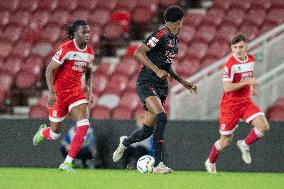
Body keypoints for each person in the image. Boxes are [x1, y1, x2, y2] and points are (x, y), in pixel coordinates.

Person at [112, 6, 197, 174]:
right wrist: (156, 70)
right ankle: (159, 164)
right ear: (179, 21)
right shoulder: (160, 35)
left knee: (146, 131)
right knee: (162, 116)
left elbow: (166, 65)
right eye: (182, 21)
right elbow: (139, 52)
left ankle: (125, 142)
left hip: (161, 86)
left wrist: (182, 81)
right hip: (147, 82)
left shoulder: (173, 39)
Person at [32, 20, 95, 172]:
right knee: (54, 134)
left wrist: (90, 89)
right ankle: (43, 132)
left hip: (75, 93)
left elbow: (88, 72)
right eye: (83, 32)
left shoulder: (90, 53)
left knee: (84, 124)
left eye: (88, 32)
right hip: (59, 94)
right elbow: (49, 70)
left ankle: (67, 162)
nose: (87, 35)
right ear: (75, 34)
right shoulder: (65, 49)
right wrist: (51, 92)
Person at [205, 34, 270, 173]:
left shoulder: (251, 59)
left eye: (241, 47)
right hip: (230, 106)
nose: (238, 50)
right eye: (235, 47)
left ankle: (245, 144)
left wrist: (252, 88)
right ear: (231, 48)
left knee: (264, 126)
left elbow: (249, 75)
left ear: (246, 46)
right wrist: (248, 83)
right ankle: (210, 162)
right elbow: (227, 88)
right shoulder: (230, 65)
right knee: (225, 142)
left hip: (246, 102)